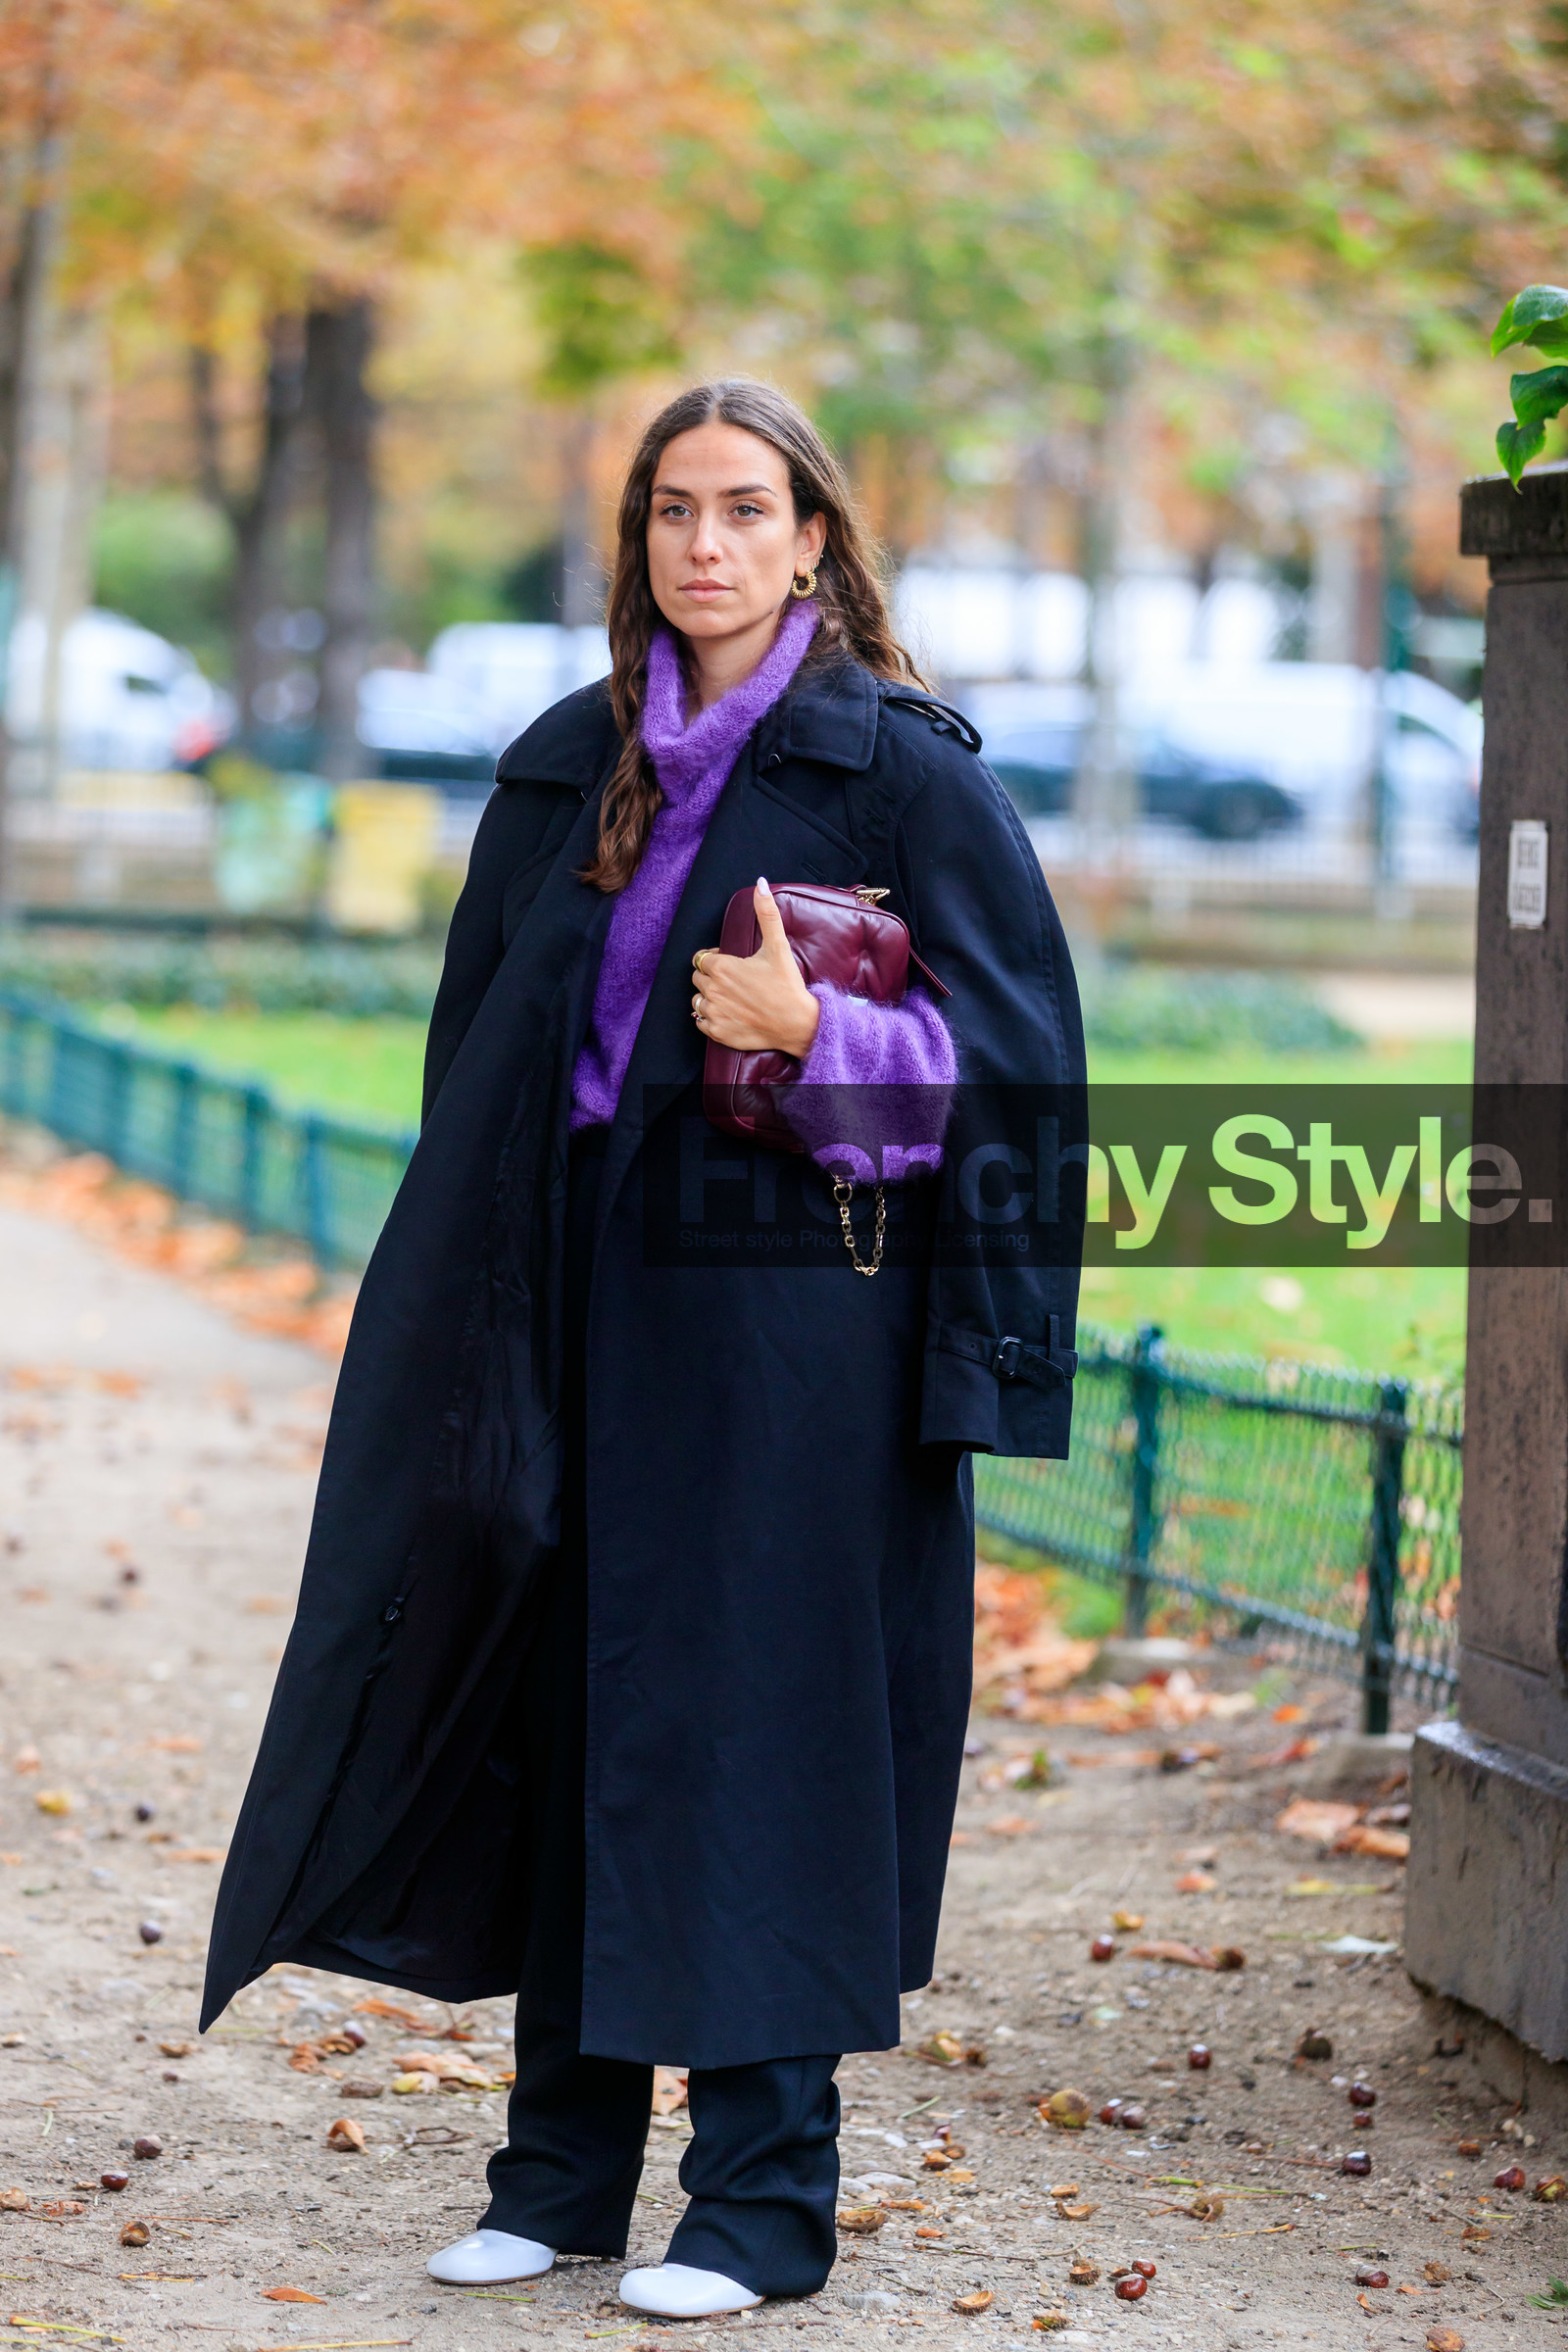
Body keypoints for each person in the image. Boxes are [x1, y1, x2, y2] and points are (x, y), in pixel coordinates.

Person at [200, 378, 1085, 2321]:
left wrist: (819, 1032)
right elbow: (480, 1062)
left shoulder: (899, 775)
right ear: (637, 540)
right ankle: (560, 2179)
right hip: (565, 1301)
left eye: (743, 509)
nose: (704, 544)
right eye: (671, 510)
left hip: (787, 1342)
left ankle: (759, 2209)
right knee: (566, 1708)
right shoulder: (562, 764)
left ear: (810, 540)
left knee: (752, 1730)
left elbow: (1023, 1085)